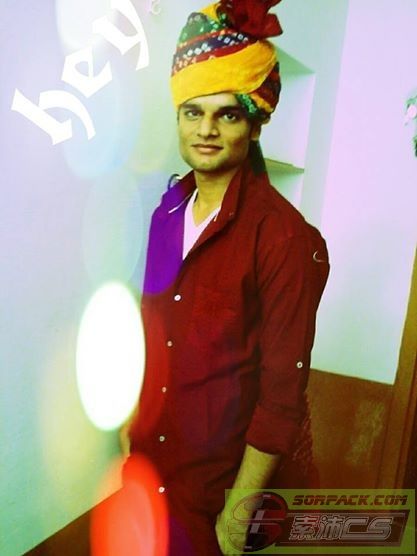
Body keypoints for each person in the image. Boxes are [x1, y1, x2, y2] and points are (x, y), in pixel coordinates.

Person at [121, 1, 330, 554]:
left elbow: (281, 398)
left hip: (216, 502)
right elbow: (149, 329)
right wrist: (128, 433)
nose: (206, 130)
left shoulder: (285, 239)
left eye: (228, 115)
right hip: (150, 478)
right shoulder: (166, 213)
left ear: (255, 124)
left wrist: (237, 518)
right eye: (193, 112)